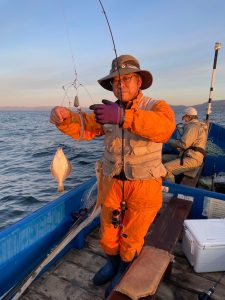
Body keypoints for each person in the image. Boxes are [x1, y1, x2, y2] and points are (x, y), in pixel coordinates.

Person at [50, 54, 175, 298]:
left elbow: (164, 128)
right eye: (116, 81)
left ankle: (125, 268)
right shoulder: (106, 110)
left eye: (127, 79)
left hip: (144, 184)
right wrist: (64, 118)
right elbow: (84, 126)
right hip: (111, 182)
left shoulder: (156, 106)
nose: (121, 84)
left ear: (139, 82)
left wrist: (124, 117)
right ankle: (112, 263)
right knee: (108, 229)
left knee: (132, 234)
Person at [163, 107, 207, 182]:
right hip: (188, 156)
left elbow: (184, 144)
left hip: (192, 159)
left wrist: (167, 140)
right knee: (162, 158)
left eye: (184, 116)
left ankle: (171, 190)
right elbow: (189, 145)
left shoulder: (193, 127)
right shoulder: (196, 126)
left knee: (166, 168)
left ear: (189, 117)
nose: (183, 118)